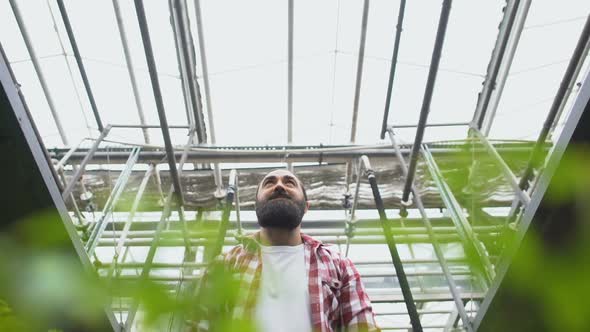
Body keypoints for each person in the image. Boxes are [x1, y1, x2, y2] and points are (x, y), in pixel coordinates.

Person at [203, 169, 379, 332]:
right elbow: (198, 325)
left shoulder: (338, 264)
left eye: (289, 183)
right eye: (269, 183)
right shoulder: (226, 263)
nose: (279, 185)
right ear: (256, 206)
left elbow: (363, 327)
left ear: (306, 207)